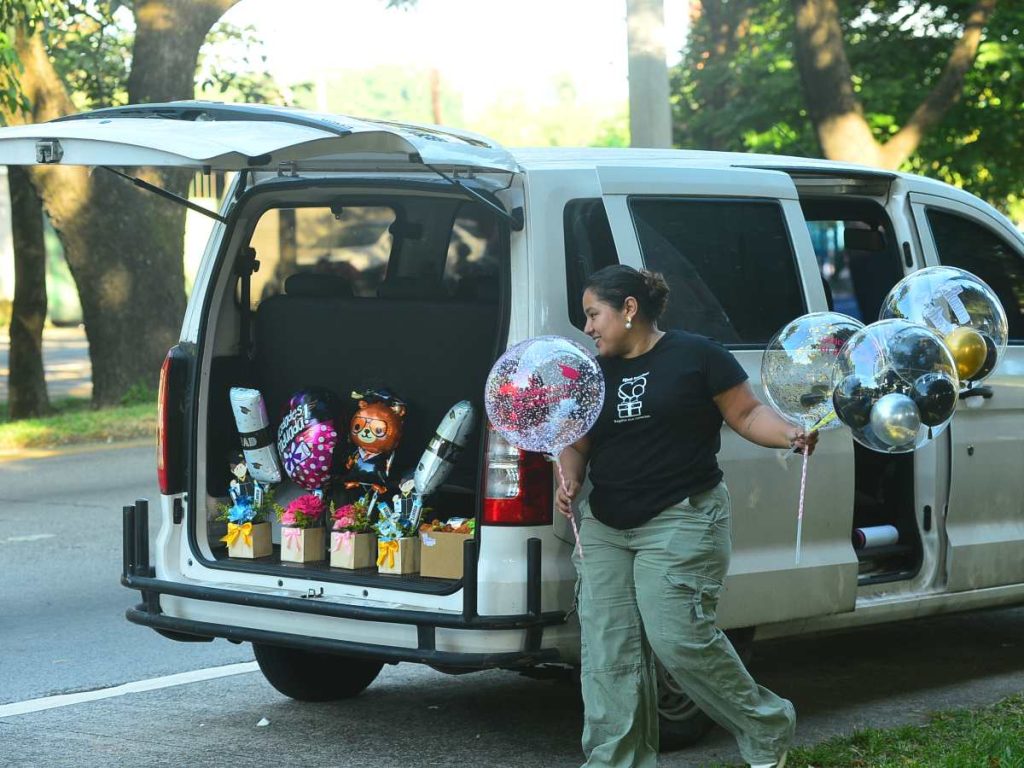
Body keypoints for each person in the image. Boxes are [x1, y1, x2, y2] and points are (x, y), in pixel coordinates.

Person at [557, 265, 817, 768]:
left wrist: (789, 432)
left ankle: (764, 724)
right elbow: (576, 442)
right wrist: (567, 477)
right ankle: (617, 761)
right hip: (606, 525)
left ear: (629, 309)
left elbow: (745, 414)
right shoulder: (593, 373)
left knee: (678, 638)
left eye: (594, 315)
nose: (587, 328)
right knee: (608, 652)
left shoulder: (697, 355)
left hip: (681, 517)